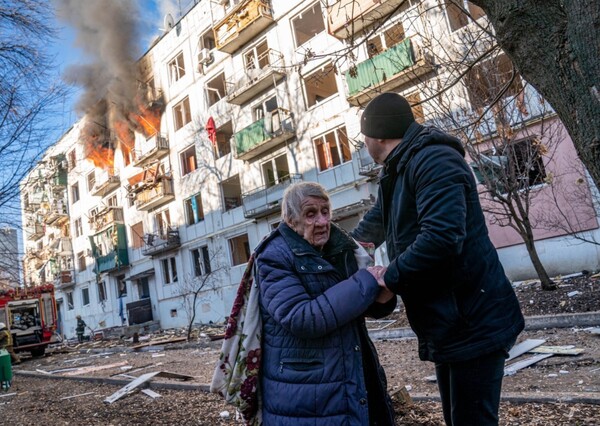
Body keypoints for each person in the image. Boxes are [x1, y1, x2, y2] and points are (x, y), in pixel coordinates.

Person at [352, 92, 525, 426]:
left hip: (472, 319)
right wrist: (348, 249)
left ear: (379, 136)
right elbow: (377, 220)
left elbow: (442, 238)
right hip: (449, 323)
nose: (365, 145)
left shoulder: (434, 162)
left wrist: (389, 277)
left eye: (364, 138)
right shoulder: (399, 167)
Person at [254, 182, 396, 425]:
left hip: (349, 377)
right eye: (310, 214)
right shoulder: (273, 255)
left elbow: (351, 303)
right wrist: (366, 281)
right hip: (305, 391)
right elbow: (301, 318)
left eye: (325, 212)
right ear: (290, 219)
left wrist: (382, 297)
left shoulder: (341, 246)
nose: (321, 222)